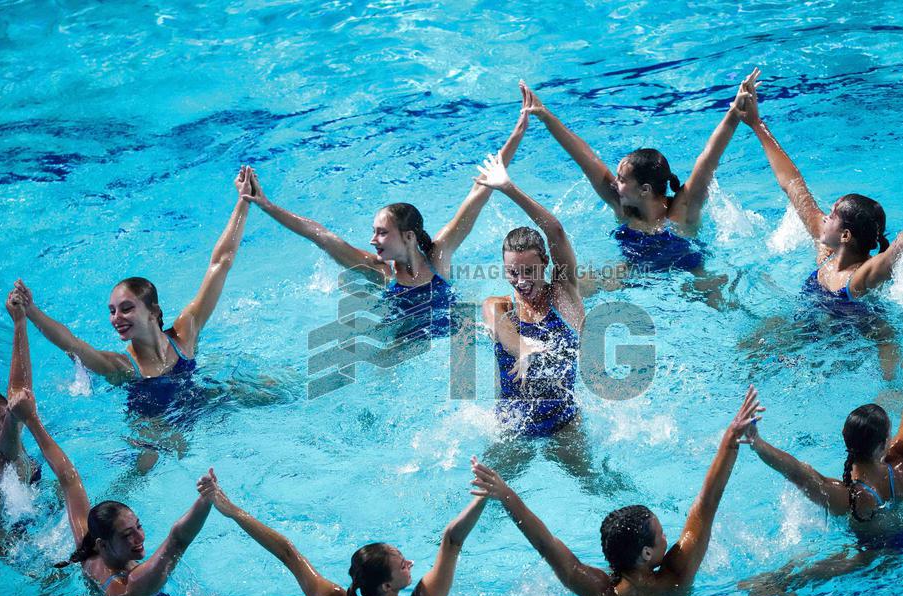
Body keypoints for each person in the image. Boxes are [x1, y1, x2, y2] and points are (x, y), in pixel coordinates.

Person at [242, 90, 531, 336]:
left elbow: (480, 191)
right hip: (404, 345)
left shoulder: (438, 256)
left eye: (381, 232)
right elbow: (321, 236)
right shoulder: (379, 272)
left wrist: (518, 132)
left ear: (407, 236)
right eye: (374, 232)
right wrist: (266, 205)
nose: (373, 240)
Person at [470, 388, 762, 596]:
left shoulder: (602, 593)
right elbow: (706, 505)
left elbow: (546, 545)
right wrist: (730, 441)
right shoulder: (676, 577)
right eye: (660, 534)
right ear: (647, 553)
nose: (666, 538)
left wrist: (506, 494)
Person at [13, 166, 254, 419]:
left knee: (270, 388)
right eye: (112, 311)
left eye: (126, 308)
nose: (116, 318)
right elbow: (72, 345)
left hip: (196, 406)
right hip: (152, 432)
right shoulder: (123, 368)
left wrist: (244, 201)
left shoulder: (185, 334)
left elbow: (220, 263)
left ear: (153, 312)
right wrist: (31, 311)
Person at [518, 70, 759, 301]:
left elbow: (707, 161)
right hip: (636, 274)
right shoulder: (623, 208)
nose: (615, 183)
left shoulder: (681, 211)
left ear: (644, 189)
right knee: (577, 282)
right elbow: (586, 159)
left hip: (688, 277)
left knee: (718, 292)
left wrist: (734, 113)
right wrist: (545, 115)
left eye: (622, 180)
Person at [734, 77, 903, 307]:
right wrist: (757, 123)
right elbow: (793, 184)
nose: (824, 217)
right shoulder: (826, 250)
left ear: (845, 235)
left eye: (832, 215)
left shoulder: (859, 278)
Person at [745, 279, 903, 532]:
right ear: (883, 445)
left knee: (798, 572)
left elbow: (797, 472)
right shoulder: (902, 466)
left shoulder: (849, 498)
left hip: (871, 561)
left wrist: (756, 442)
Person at [204, 469, 486, 596]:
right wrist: (483, 496)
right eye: (402, 564)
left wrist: (233, 511)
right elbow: (452, 540)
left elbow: (287, 554)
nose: (409, 563)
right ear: (387, 586)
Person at [7, 387, 214, 596]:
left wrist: (31, 419)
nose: (140, 538)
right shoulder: (127, 586)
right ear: (103, 545)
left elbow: (69, 479)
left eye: (138, 526)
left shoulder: (88, 550)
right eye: (127, 535)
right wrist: (207, 499)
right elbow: (177, 540)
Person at [475, 153, 584, 438]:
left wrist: (508, 189)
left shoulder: (563, 296)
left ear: (545, 262)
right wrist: (523, 349)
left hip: (563, 422)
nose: (521, 282)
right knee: (486, 483)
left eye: (528, 271)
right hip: (511, 424)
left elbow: (556, 232)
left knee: (595, 483)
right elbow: (503, 330)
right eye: (512, 273)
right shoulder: (497, 305)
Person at [0, 290, 40, 524]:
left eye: (2, 420)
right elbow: (3, 454)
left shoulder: (13, 435)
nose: (0, 430)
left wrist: (20, 322)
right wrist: (14, 419)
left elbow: (20, 388)